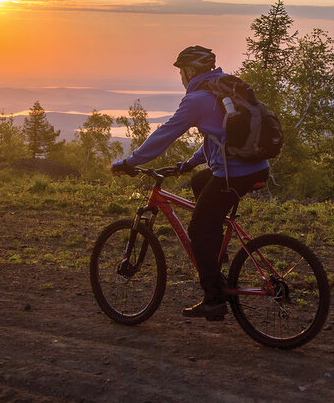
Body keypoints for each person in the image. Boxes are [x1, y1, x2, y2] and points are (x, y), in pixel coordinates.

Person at [111, 46, 270, 320]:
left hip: (234, 174)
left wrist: (131, 162)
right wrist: (190, 163)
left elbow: (166, 133)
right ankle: (216, 258)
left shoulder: (196, 99)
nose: (181, 78)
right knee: (200, 181)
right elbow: (220, 137)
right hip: (256, 168)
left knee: (197, 227)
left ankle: (214, 299)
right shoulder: (224, 89)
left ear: (191, 71)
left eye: (182, 72)